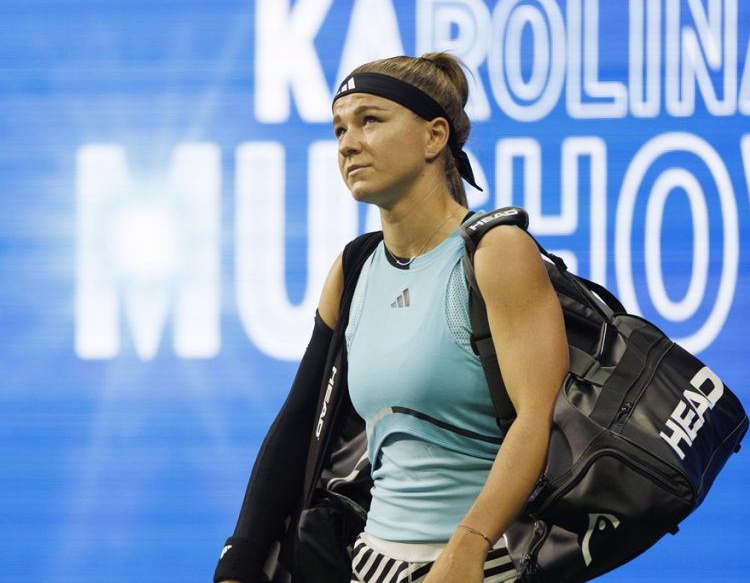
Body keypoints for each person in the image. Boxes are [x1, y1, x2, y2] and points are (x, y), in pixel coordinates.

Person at [215, 52, 569, 583]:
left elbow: (536, 419)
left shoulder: (497, 252)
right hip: (370, 565)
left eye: (370, 120)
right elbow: (296, 425)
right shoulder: (353, 268)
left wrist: (469, 545)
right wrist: (240, 563)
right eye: (339, 129)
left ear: (434, 137)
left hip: (484, 566)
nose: (348, 143)